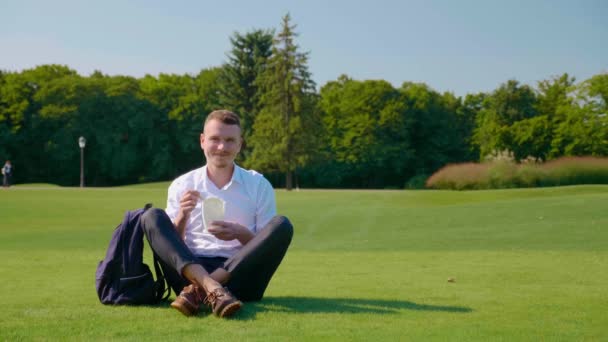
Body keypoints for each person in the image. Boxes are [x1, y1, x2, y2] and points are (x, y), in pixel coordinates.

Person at [140, 110, 293, 318]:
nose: (222, 147)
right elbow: (172, 248)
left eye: (230, 140)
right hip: (189, 272)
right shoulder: (182, 184)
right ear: (202, 141)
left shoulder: (258, 185)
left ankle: (201, 290)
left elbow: (265, 246)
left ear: (240, 144)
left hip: (240, 278)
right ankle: (210, 286)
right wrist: (183, 216)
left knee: (282, 224)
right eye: (215, 139)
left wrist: (240, 233)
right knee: (151, 216)